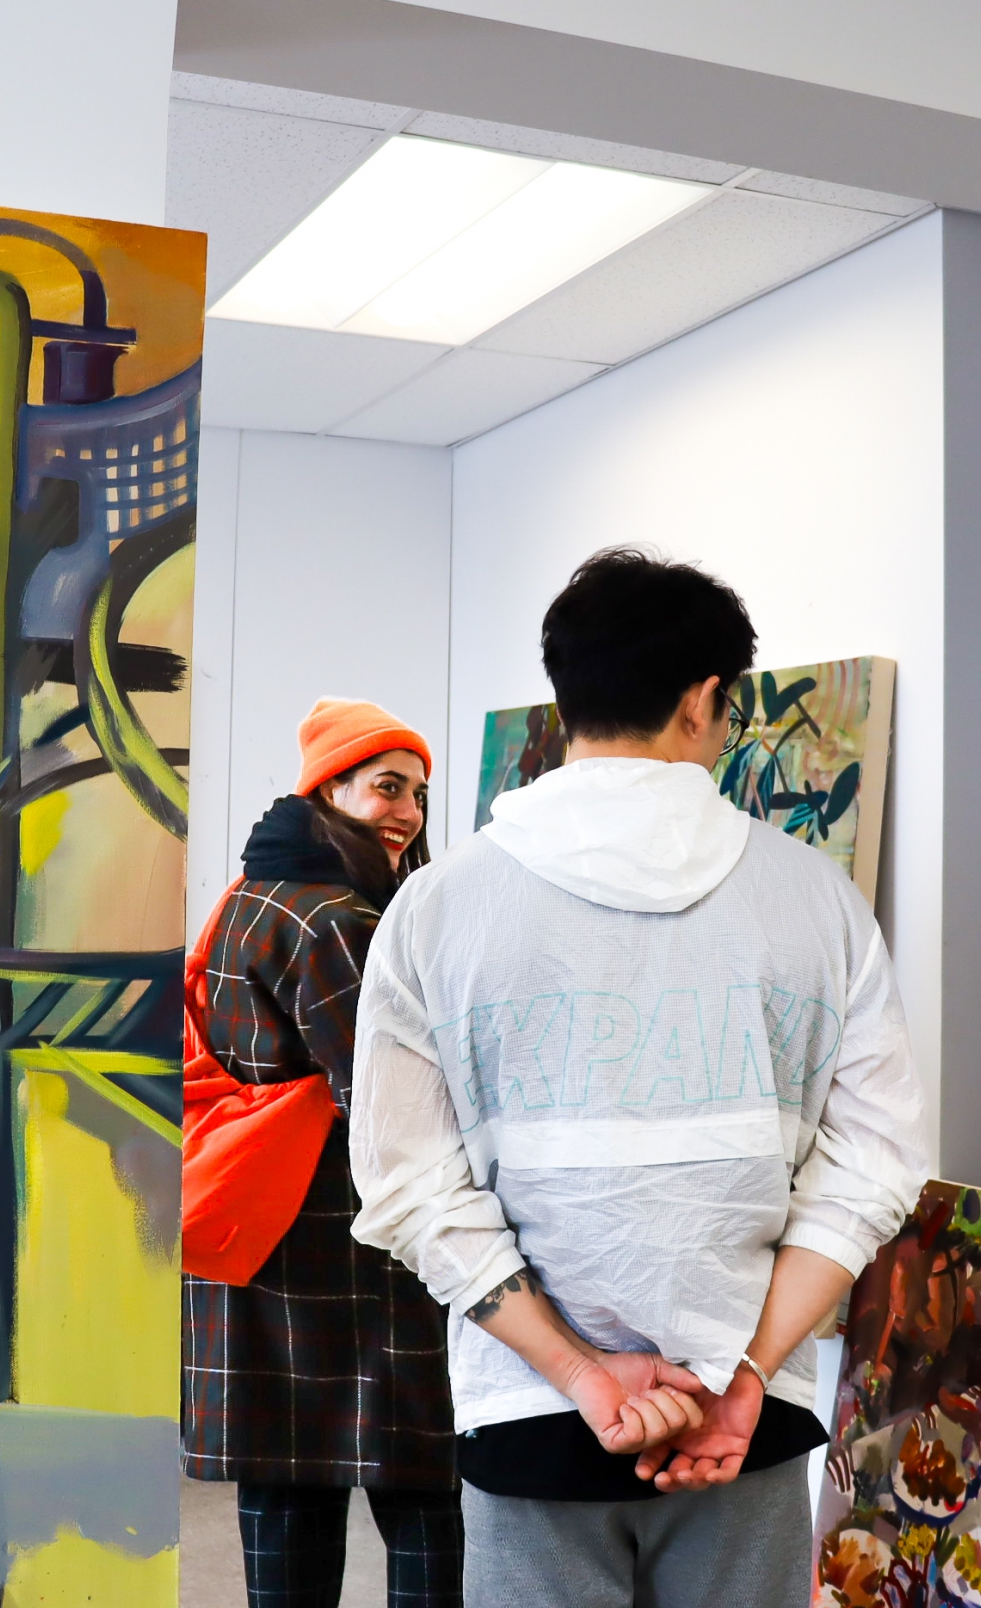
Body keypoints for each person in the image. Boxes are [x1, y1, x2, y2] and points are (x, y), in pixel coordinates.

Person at [349, 549, 930, 1608]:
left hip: (528, 1414)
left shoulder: (437, 909)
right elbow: (875, 1165)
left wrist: (580, 1374)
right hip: (742, 1426)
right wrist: (743, 1372)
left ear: (562, 693)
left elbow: (407, 1189)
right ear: (705, 700)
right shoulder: (817, 903)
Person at [184, 698, 463, 1608]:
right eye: (386, 786)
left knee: (284, 1507)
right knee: (423, 1497)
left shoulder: (250, 895)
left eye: (417, 792)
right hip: (349, 1257)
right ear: (328, 789)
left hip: (261, 1241)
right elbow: (386, 1101)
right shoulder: (335, 920)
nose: (407, 813)